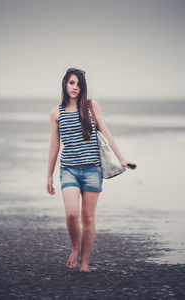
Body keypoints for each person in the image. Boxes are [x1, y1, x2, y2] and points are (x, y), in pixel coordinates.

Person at [46, 68, 137, 272]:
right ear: (65, 84)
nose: (75, 87)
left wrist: (122, 159)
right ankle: (75, 249)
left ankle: (85, 263)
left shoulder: (90, 106)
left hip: (92, 170)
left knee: (87, 218)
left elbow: (105, 131)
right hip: (68, 169)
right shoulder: (56, 112)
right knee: (71, 214)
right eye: (71, 83)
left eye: (78, 84)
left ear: (82, 87)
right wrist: (49, 175)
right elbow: (54, 146)